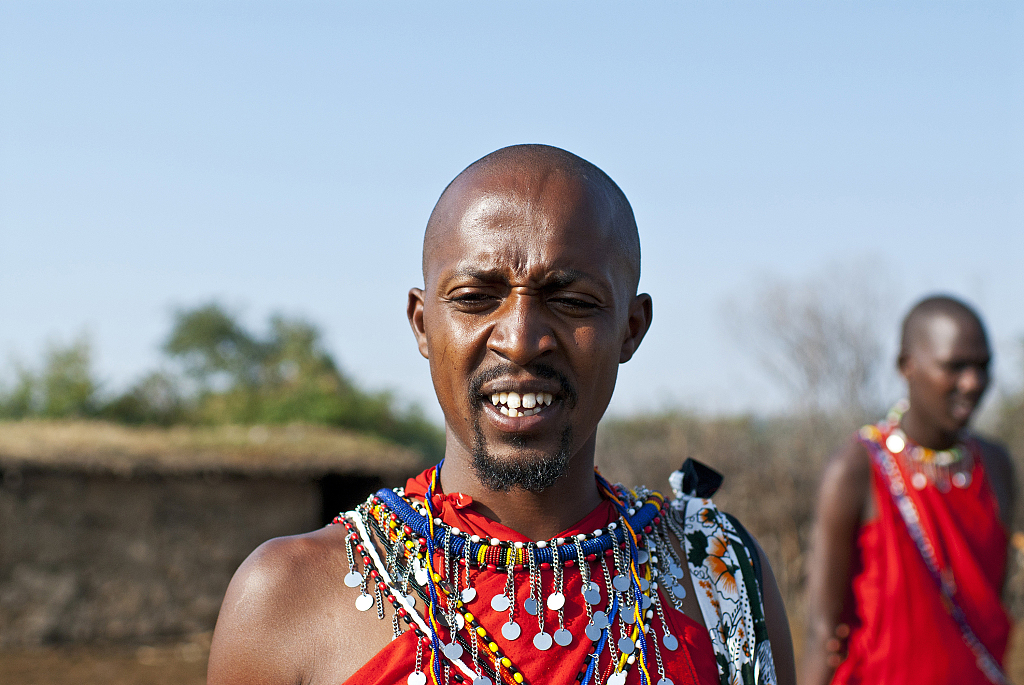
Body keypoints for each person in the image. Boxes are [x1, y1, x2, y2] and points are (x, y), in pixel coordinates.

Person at [207, 144, 796, 685]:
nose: (520, 339)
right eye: (474, 298)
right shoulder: (288, 598)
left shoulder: (717, 575)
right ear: (421, 324)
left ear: (630, 330)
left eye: (572, 301)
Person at [802, 296, 1016, 685]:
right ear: (907, 366)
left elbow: (989, 608)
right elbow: (823, 631)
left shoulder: (995, 465)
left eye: (983, 366)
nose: (973, 382)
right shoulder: (855, 469)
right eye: (955, 366)